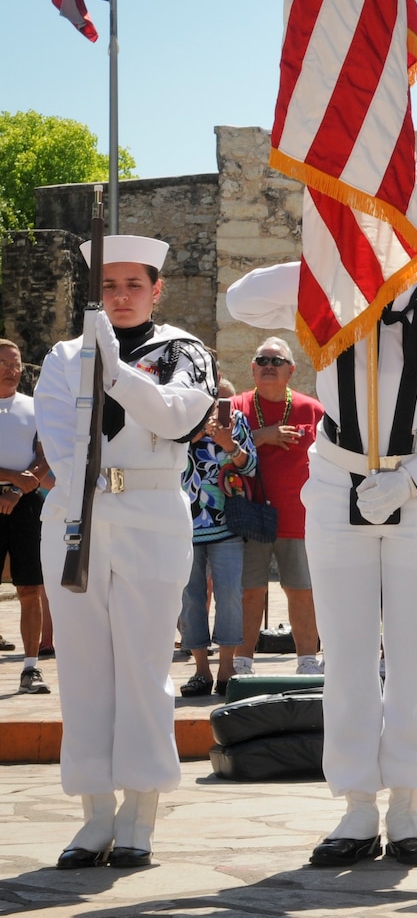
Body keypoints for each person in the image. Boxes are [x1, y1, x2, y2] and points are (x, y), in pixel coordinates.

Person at [227, 163, 417, 868]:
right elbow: (241, 300)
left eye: (395, 208)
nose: (385, 222)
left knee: (414, 651)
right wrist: (327, 251)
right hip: (338, 481)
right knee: (347, 654)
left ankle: (408, 802)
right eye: (370, 209)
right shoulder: (326, 287)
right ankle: (355, 807)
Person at [35, 235, 216, 868]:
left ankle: (140, 813)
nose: (119, 297)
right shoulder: (63, 354)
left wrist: (114, 372)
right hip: (76, 515)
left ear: (156, 289)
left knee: (142, 670)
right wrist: (95, 360)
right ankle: (94, 815)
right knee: (83, 672)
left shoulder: (184, 351)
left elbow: (178, 417)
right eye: (107, 287)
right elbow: (60, 441)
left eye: (133, 285)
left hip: (149, 513)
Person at [230, 339, 324, 676]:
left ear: (291, 370)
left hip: (299, 518)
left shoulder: (313, 410)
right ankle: (242, 662)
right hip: (248, 517)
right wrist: (263, 436)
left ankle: (307, 660)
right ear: (253, 368)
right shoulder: (235, 405)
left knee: (301, 591)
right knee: (249, 591)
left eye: (277, 360)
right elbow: (216, 447)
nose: (269, 365)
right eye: (262, 359)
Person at [179, 377, 258, 697]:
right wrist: (190, 435)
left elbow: (250, 465)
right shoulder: (176, 422)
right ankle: (200, 670)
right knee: (190, 599)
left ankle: (226, 669)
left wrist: (229, 445)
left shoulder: (236, 420)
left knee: (229, 597)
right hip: (182, 524)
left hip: (227, 524)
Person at [0, 339, 51, 695]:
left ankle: (30, 668)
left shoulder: (35, 408)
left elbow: (46, 454)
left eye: (16, 363)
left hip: (26, 502)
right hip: (12, 487)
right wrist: (11, 478)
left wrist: (19, 487)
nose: (12, 369)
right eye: (4, 363)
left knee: (30, 587)